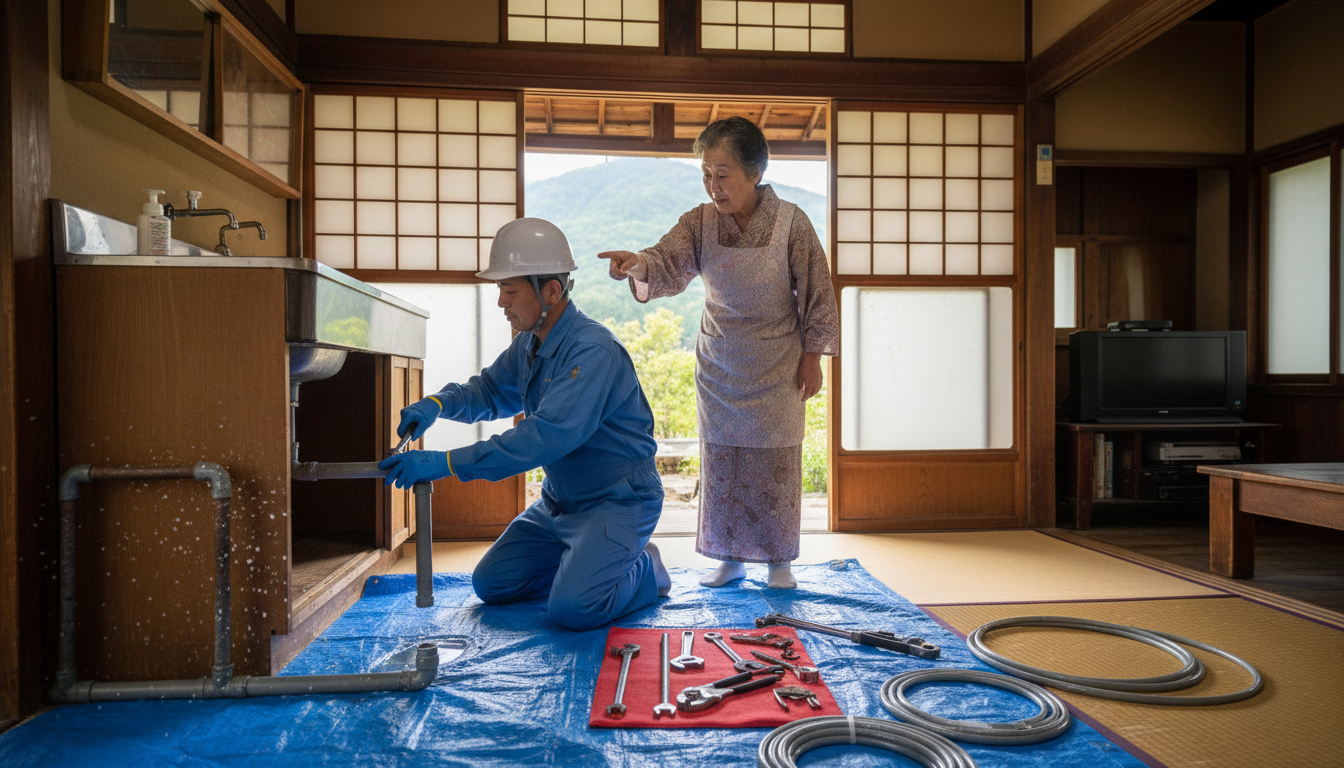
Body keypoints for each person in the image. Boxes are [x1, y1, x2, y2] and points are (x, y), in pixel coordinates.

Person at [378, 217, 670, 631]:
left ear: (551, 291)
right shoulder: (530, 342)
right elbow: (489, 391)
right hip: (560, 501)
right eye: (500, 289)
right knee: (492, 583)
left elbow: (543, 437)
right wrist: (438, 403)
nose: (501, 302)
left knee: (573, 610)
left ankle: (645, 568)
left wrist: (446, 463)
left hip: (617, 501)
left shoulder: (593, 351)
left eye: (510, 290)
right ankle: (589, 566)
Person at [598, 116, 840, 590]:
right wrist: (637, 264)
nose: (713, 185)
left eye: (723, 174)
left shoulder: (792, 221)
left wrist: (813, 356)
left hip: (778, 362)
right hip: (720, 362)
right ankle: (728, 559)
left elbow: (817, 290)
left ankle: (778, 562)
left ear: (755, 172)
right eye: (706, 174)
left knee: (775, 462)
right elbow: (665, 260)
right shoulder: (699, 222)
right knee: (723, 461)